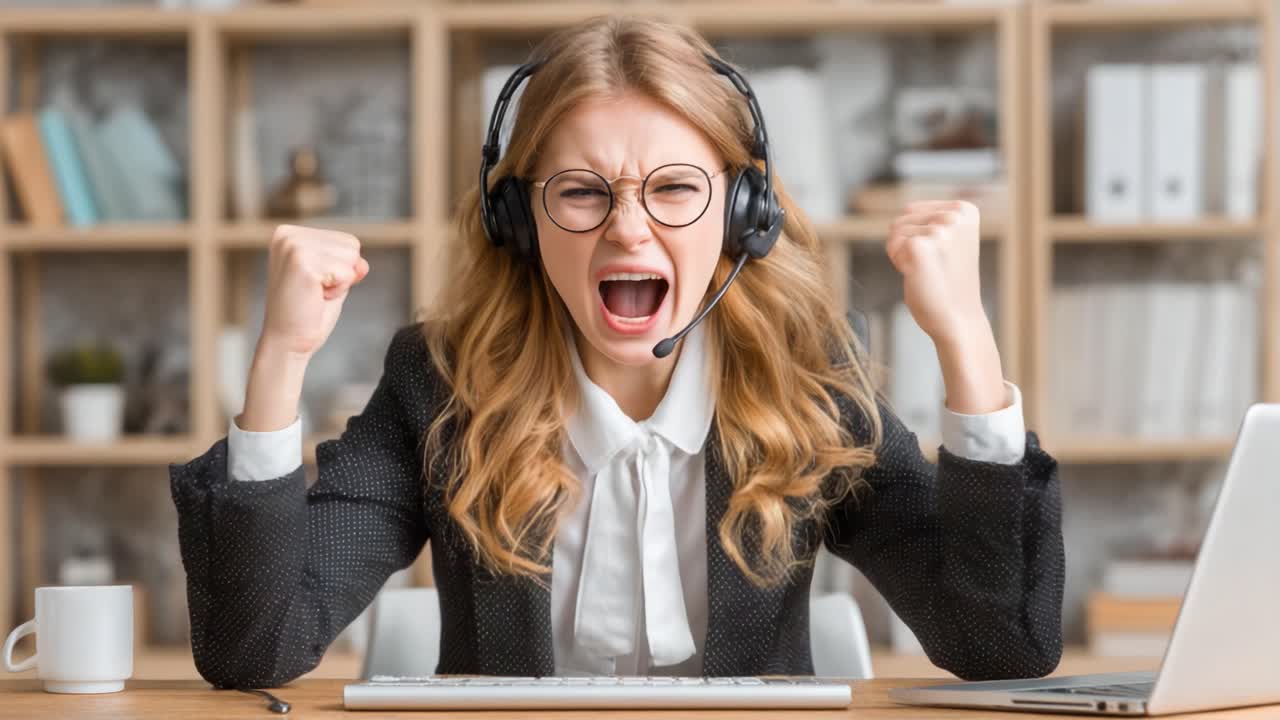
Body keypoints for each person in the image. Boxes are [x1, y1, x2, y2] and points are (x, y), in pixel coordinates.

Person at [169, 15, 1064, 691]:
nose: (628, 228)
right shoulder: (439, 383)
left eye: (675, 188)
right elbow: (256, 649)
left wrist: (965, 342)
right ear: (518, 221)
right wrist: (278, 361)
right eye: (582, 192)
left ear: (743, 217)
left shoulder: (809, 376)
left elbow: (1001, 645)